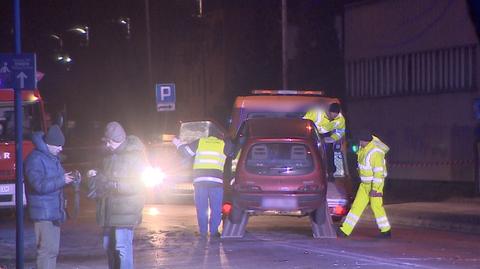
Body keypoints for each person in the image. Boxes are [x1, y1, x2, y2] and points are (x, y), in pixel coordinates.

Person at [87, 121, 148, 269]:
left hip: (126, 210)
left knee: (122, 247)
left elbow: (139, 184)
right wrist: (96, 175)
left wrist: (116, 185)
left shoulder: (135, 156)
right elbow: (106, 177)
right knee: (108, 245)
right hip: (109, 208)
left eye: (109, 142)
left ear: (115, 141)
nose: (107, 145)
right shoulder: (109, 156)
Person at [25, 124, 74, 269]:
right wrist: (62, 180)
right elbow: (38, 185)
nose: (61, 149)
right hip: (43, 214)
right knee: (46, 251)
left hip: (54, 212)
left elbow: (57, 180)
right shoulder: (35, 159)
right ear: (49, 144)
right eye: (58, 145)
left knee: (53, 250)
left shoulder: (52, 158)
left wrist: (70, 179)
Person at [173, 132, 234, 238]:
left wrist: (178, 143)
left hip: (200, 181)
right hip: (216, 182)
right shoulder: (223, 144)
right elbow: (233, 153)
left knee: (202, 208)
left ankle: (203, 232)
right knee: (216, 209)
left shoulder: (200, 142)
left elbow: (185, 152)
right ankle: (214, 232)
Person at [338, 130, 391, 238]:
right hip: (365, 184)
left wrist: (375, 189)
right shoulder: (365, 149)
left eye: (360, 141)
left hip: (374, 185)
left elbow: (379, 173)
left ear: (364, 141)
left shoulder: (376, 153)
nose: (359, 143)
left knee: (376, 207)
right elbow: (359, 155)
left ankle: (385, 230)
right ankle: (345, 230)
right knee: (357, 206)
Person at [304, 103, 346, 177]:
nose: (334, 117)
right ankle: (309, 170)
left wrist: (332, 139)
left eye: (336, 115)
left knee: (329, 151)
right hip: (312, 133)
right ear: (328, 112)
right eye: (333, 115)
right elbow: (304, 123)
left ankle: (330, 172)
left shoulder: (340, 119)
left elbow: (341, 131)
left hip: (326, 134)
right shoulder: (316, 112)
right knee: (311, 151)